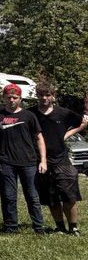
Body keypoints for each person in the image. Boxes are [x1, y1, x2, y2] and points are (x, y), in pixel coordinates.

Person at [0, 83, 47, 234]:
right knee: (8, 196)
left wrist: (43, 160)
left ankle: (39, 227)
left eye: (15, 97)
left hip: (28, 162)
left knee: (32, 196)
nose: (12, 100)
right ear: (4, 98)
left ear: (20, 98)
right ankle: (10, 227)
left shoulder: (29, 116)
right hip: (6, 162)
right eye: (9, 97)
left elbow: (39, 138)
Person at [31, 81, 88, 235]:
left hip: (62, 159)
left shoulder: (63, 113)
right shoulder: (31, 114)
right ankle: (59, 226)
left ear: (53, 96)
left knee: (69, 195)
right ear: (37, 96)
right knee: (51, 196)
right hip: (40, 161)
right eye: (41, 95)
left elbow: (83, 122)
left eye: (47, 95)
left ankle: (73, 226)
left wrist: (67, 134)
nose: (44, 98)